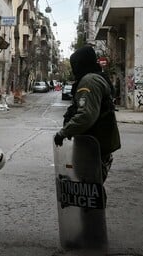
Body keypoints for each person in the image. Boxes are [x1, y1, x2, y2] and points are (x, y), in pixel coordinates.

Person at [54, 45, 121, 183]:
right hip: (96, 143)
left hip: (94, 144)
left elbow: (86, 116)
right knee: (91, 185)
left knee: (89, 186)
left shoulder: (89, 81)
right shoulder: (95, 78)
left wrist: (63, 133)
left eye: (75, 65)